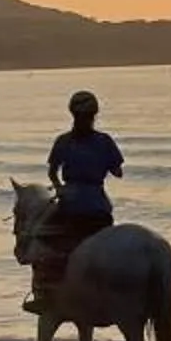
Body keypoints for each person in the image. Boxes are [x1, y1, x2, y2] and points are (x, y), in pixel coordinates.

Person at [34, 90, 124, 313]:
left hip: (71, 203)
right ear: (94, 115)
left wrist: (60, 188)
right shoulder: (104, 141)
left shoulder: (63, 141)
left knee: (43, 239)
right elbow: (118, 171)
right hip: (98, 203)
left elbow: (53, 172)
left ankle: (45, 294)